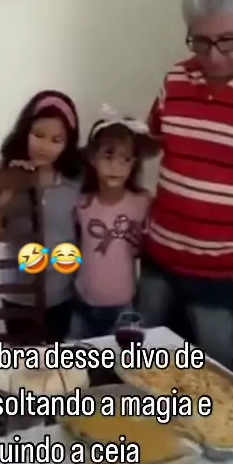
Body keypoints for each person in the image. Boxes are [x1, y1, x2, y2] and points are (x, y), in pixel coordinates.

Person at [139, 0, 233, 382]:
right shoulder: (177, 78)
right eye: (201, 41)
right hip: (159, 268)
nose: (214, 56)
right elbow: (154, 141)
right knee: (149, 385)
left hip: (229, 282)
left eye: (227, 40)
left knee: (221, 396)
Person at [0, 90, 81, 343]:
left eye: (56, 140)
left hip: (65, 294)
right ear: (25, 132)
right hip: (18, 296)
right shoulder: (2, 170)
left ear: (68, 144)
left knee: (58, 363)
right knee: (23, 363)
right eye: (38, 135)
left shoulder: (76, 176)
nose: (45, 146)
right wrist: (10, 189)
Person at [71, 108, 156, 338]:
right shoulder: (81, 204)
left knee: (121, 358)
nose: (115, 166)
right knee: (72, 357)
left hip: (124, 307)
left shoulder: (142, 203)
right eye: (108, 156)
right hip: (82, 302)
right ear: (92, 158)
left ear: (133, 163)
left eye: (125, 158)